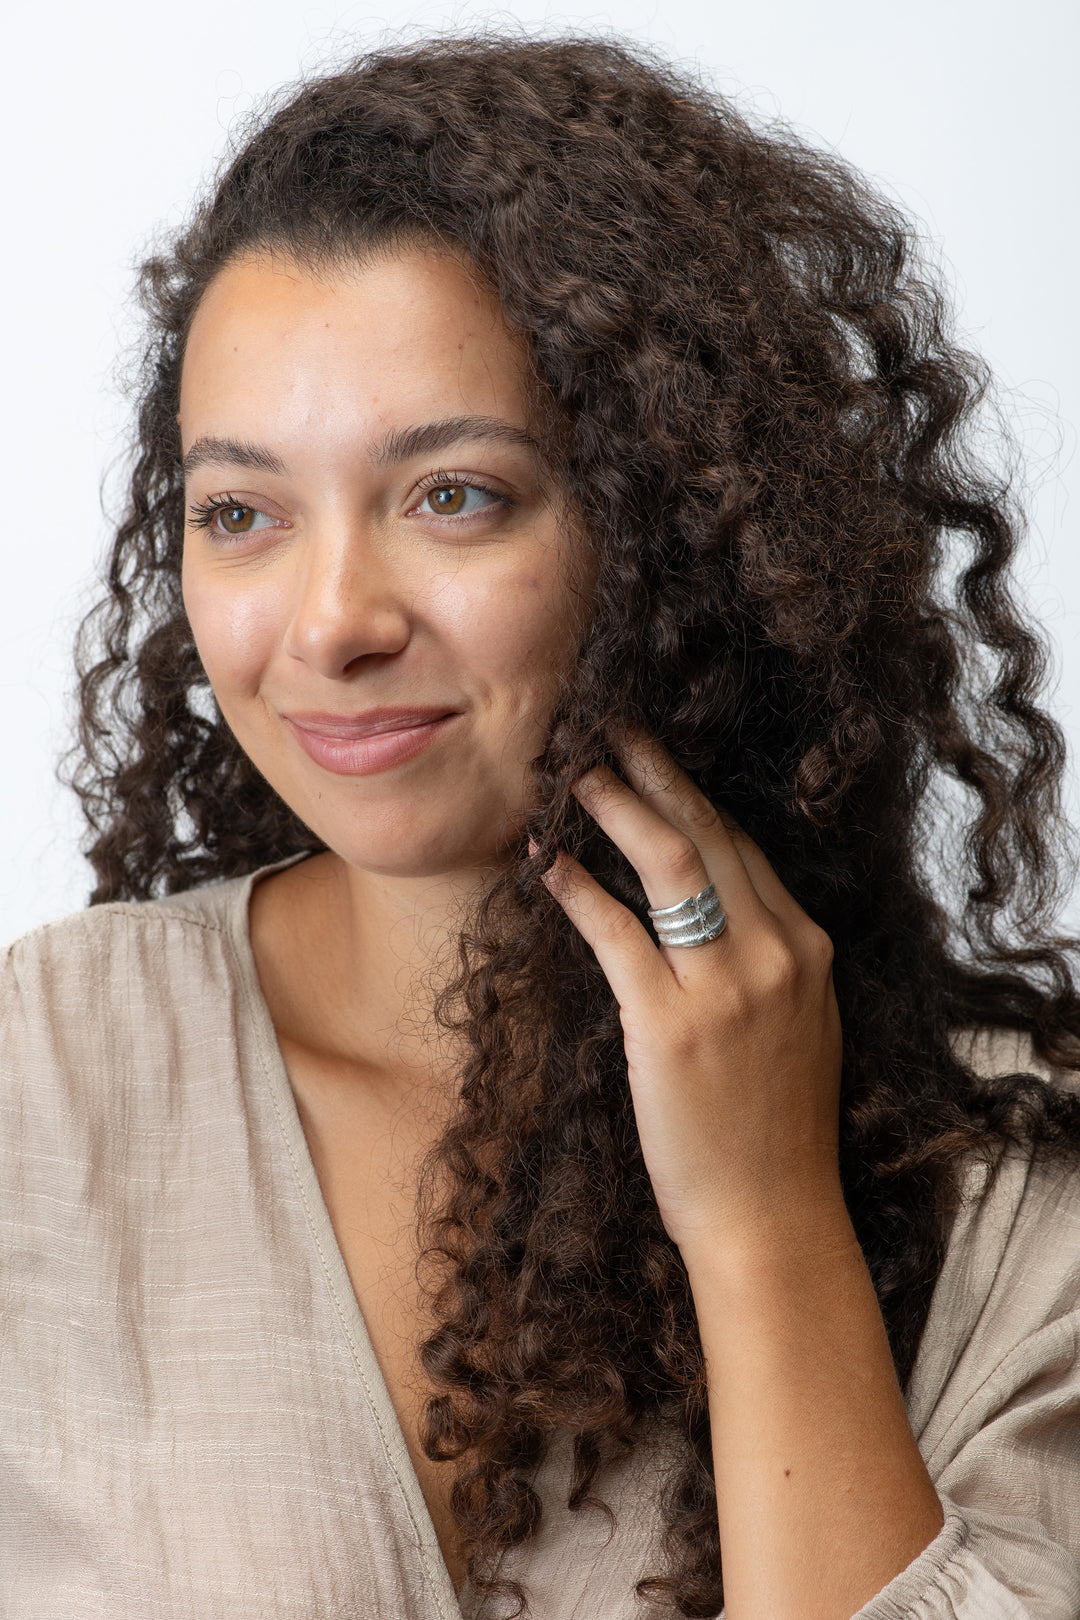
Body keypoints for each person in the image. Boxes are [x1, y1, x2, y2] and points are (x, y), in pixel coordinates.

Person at [2, 31, 1079, 1620]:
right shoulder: (45, 1082)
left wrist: (769, 1222)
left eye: (455, 495)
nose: (331, 623)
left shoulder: (1016, 1184)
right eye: (240, 513)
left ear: (678, 530)